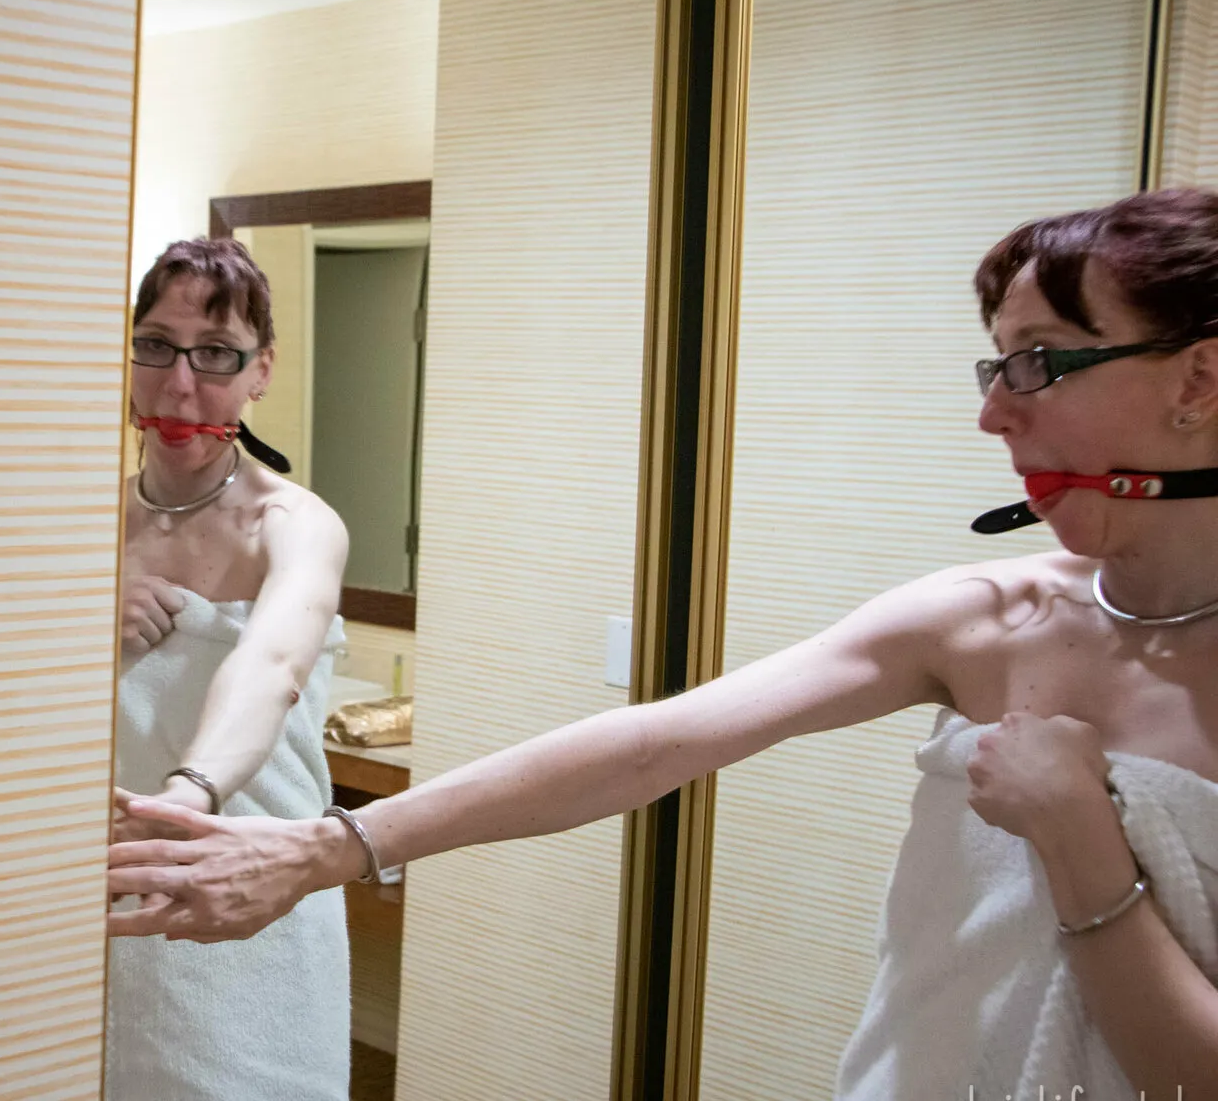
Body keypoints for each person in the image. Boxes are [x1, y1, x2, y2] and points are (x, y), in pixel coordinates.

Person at [108, 191, 1218, 1098]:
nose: (994, 413)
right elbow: (654, 743)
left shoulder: (293, 523)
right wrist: (327, 848)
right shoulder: (980, 616)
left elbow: (274, 662)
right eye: (997, 366)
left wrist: (1080, 838)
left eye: (1039, 361)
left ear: (1199, 380)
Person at [104, 237, 353, 1101]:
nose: (179, 385)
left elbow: (273, 663)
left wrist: (190, 794)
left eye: (215, 354)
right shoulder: (84, 527)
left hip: (252, 908)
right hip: (108, 912)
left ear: (261, 371)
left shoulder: (293, 524)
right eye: (156, 346)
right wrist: (78, 615)